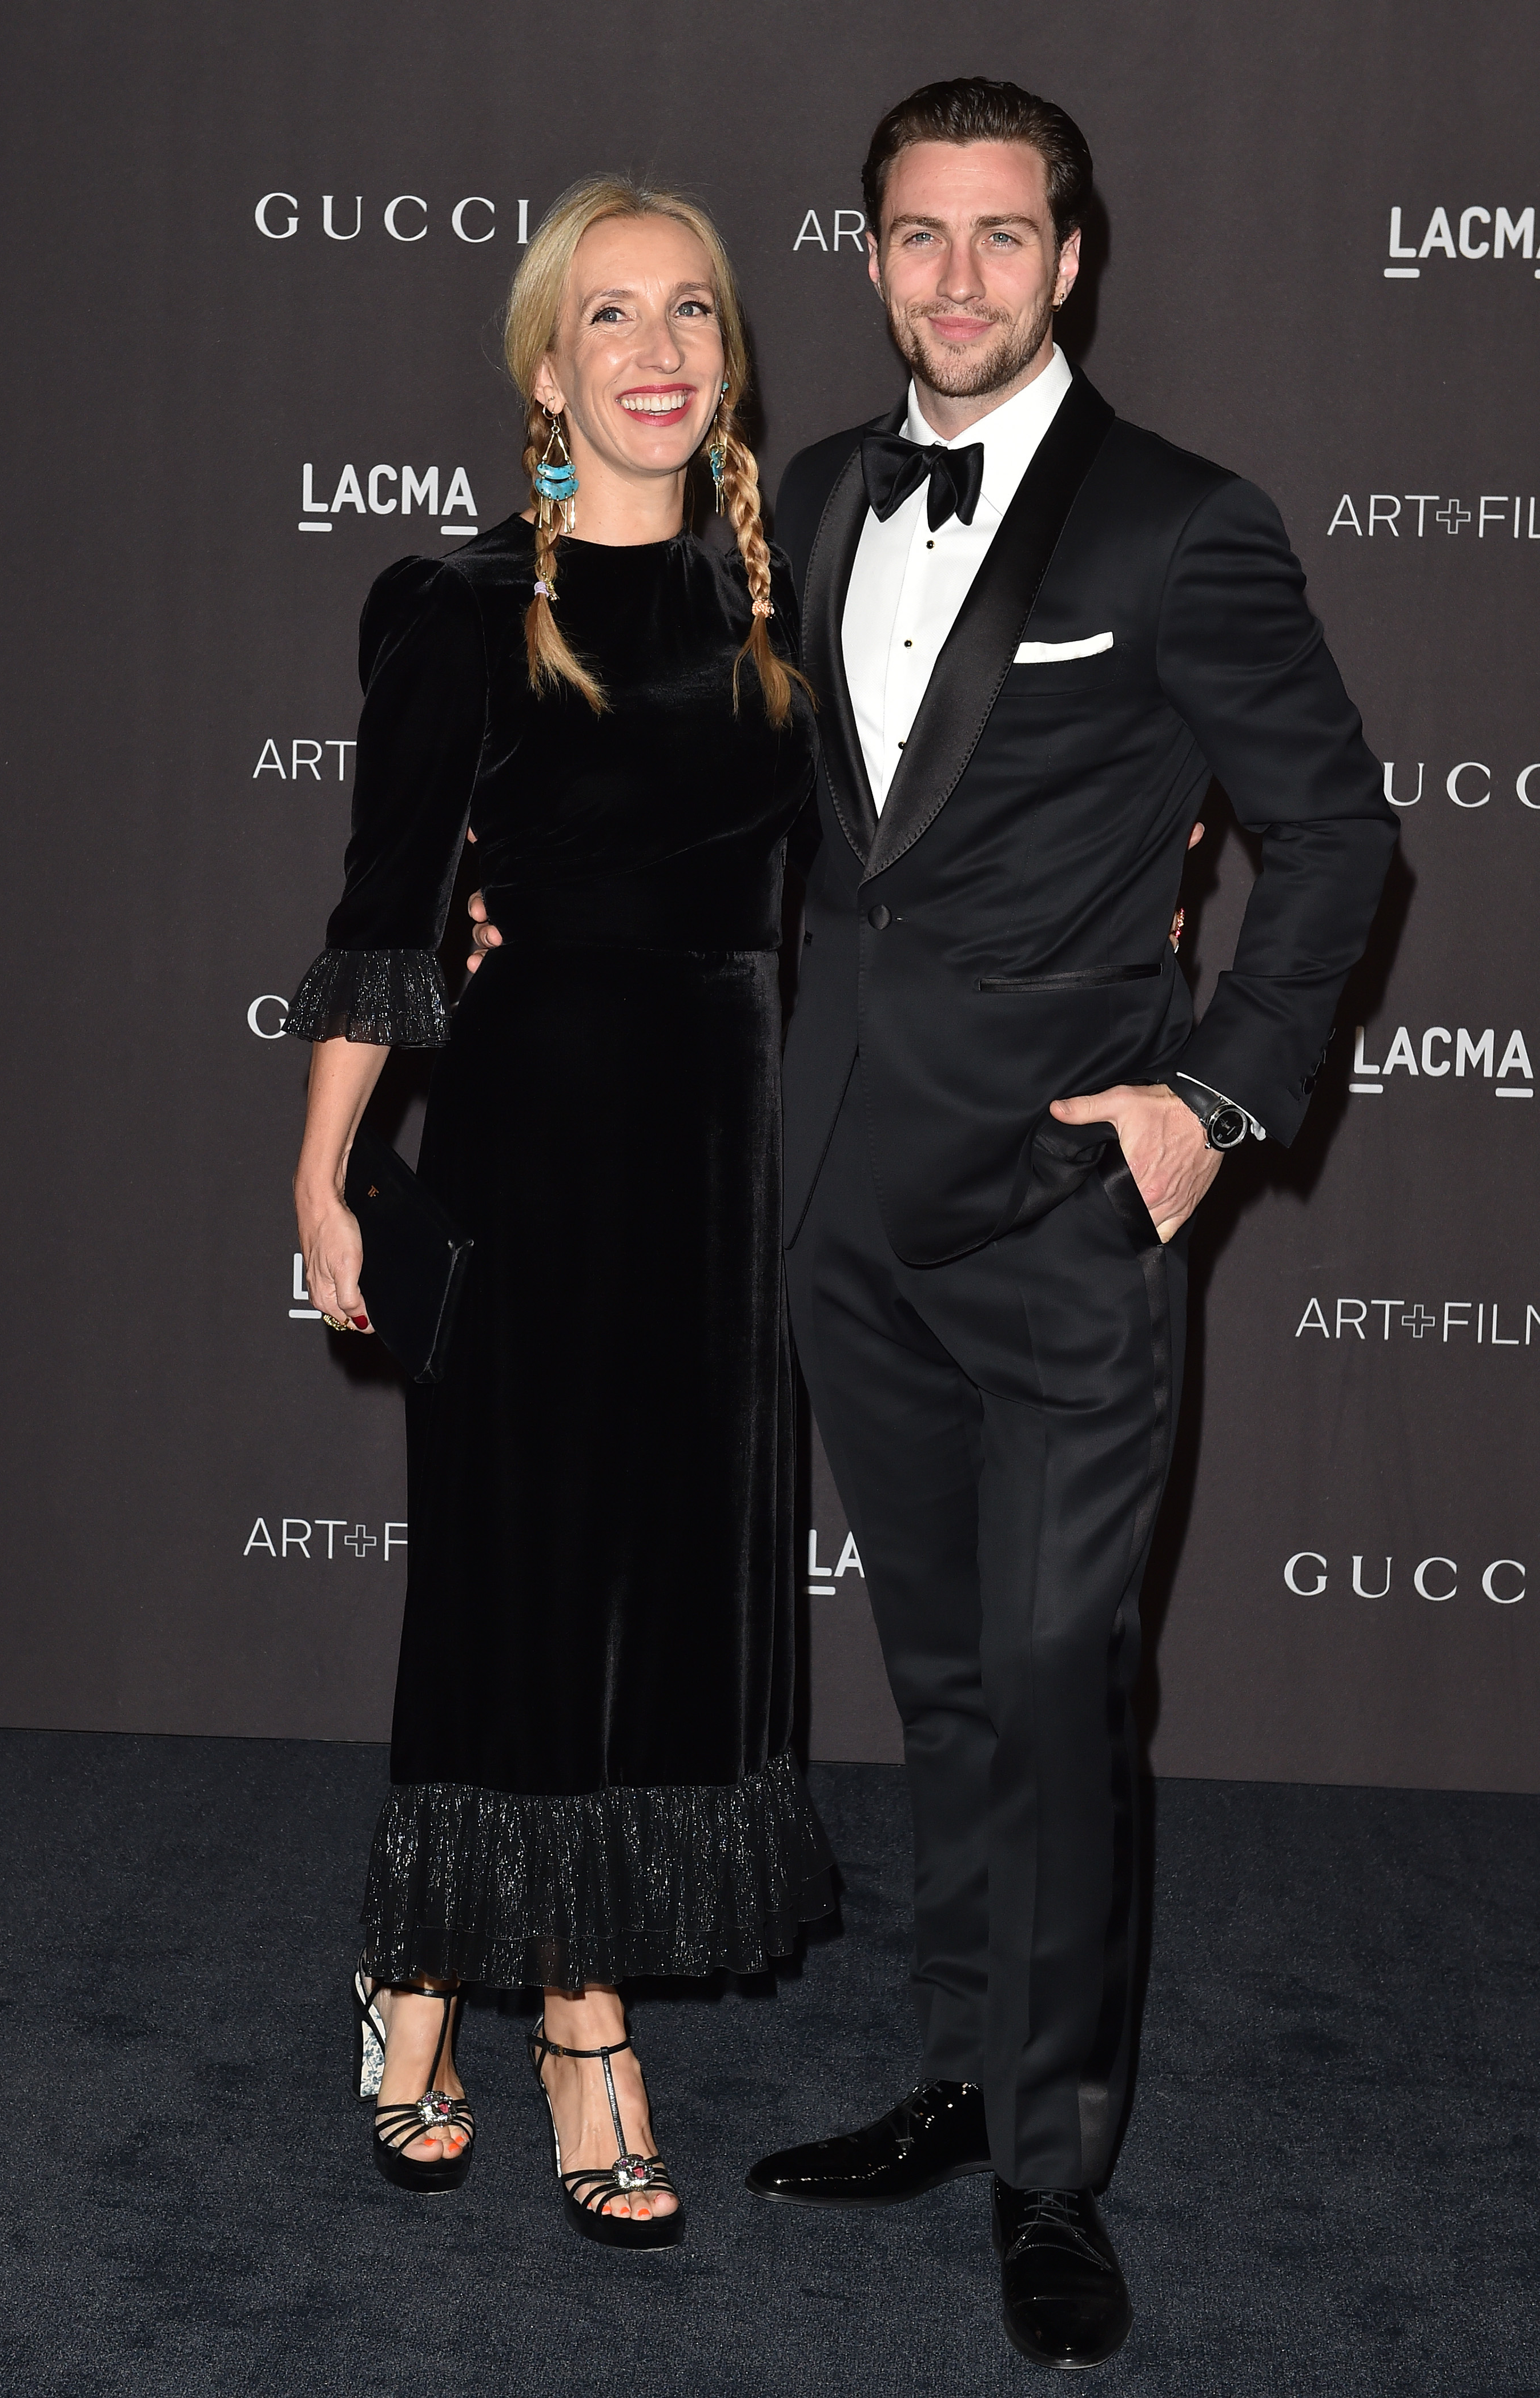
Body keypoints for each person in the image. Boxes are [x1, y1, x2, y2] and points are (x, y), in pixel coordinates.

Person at [733, 78, 1397, 2370]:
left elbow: (1333, 840)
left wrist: (1211, 1102)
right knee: (931, 1684)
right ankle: (952, 2068)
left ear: (1069, 257)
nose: (955, 283)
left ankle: (1048, 2166)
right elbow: (807, 839)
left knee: (1050, 1681)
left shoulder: (1180, 527)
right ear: (867, 255)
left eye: (999, 239)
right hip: (840, 1201)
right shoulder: (810, 497)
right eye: (915, 239)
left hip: (1057, 1212)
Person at [287, 175, 833, 2251]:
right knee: (512, 1583)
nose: (658, 350)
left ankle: (493, 1984)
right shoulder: (458, 614)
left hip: (720, 1171)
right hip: (523, 1153)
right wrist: (324, 1174)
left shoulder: (782, 617)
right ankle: (519, 2007)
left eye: (689, 310)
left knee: (660, 1596)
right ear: (546, 370)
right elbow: (387, 916)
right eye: (609, 318)